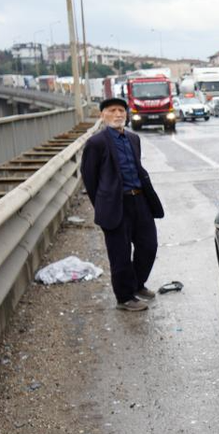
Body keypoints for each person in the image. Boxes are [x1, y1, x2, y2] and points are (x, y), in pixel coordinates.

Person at [81, 97, 165, 312]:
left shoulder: (133, 139)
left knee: (148, 246)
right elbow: (90, 178)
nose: (118, 114)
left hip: (140, 200)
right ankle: (124, 297)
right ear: (103, 115)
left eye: (121, 110)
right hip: (115, 204)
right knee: (120, 253)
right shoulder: (96, 143)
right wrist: (102, 204)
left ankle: (137, 285)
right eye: (112, 110)